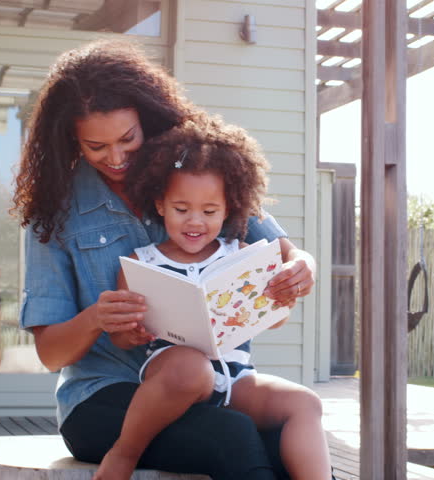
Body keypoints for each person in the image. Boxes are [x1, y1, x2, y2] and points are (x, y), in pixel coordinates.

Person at [12, 39, 316, 480]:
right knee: (230, 434)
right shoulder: (55, 210)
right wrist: (98, 317)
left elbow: (286, 252)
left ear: (146, 119)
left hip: (214, 386)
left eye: (127, 139)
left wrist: (301, 268)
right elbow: (50, 352)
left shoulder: (192, 168)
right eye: (96, 146)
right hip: (103, 399)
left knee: (286, 437)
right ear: (70, 140)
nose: (115, 158)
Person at [94, 118, 331, 480]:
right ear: (160, 204)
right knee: (191, 367)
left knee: (305, 403)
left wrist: (279, 297)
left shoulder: (244, 255)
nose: (195, 222)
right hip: (175, 379)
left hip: (237, 380)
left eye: (209, 212)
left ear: (228, 209)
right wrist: (134, 332)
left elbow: (275, 317)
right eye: (181, 208)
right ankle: (124, 454)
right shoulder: (141, 263)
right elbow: (121, 337)